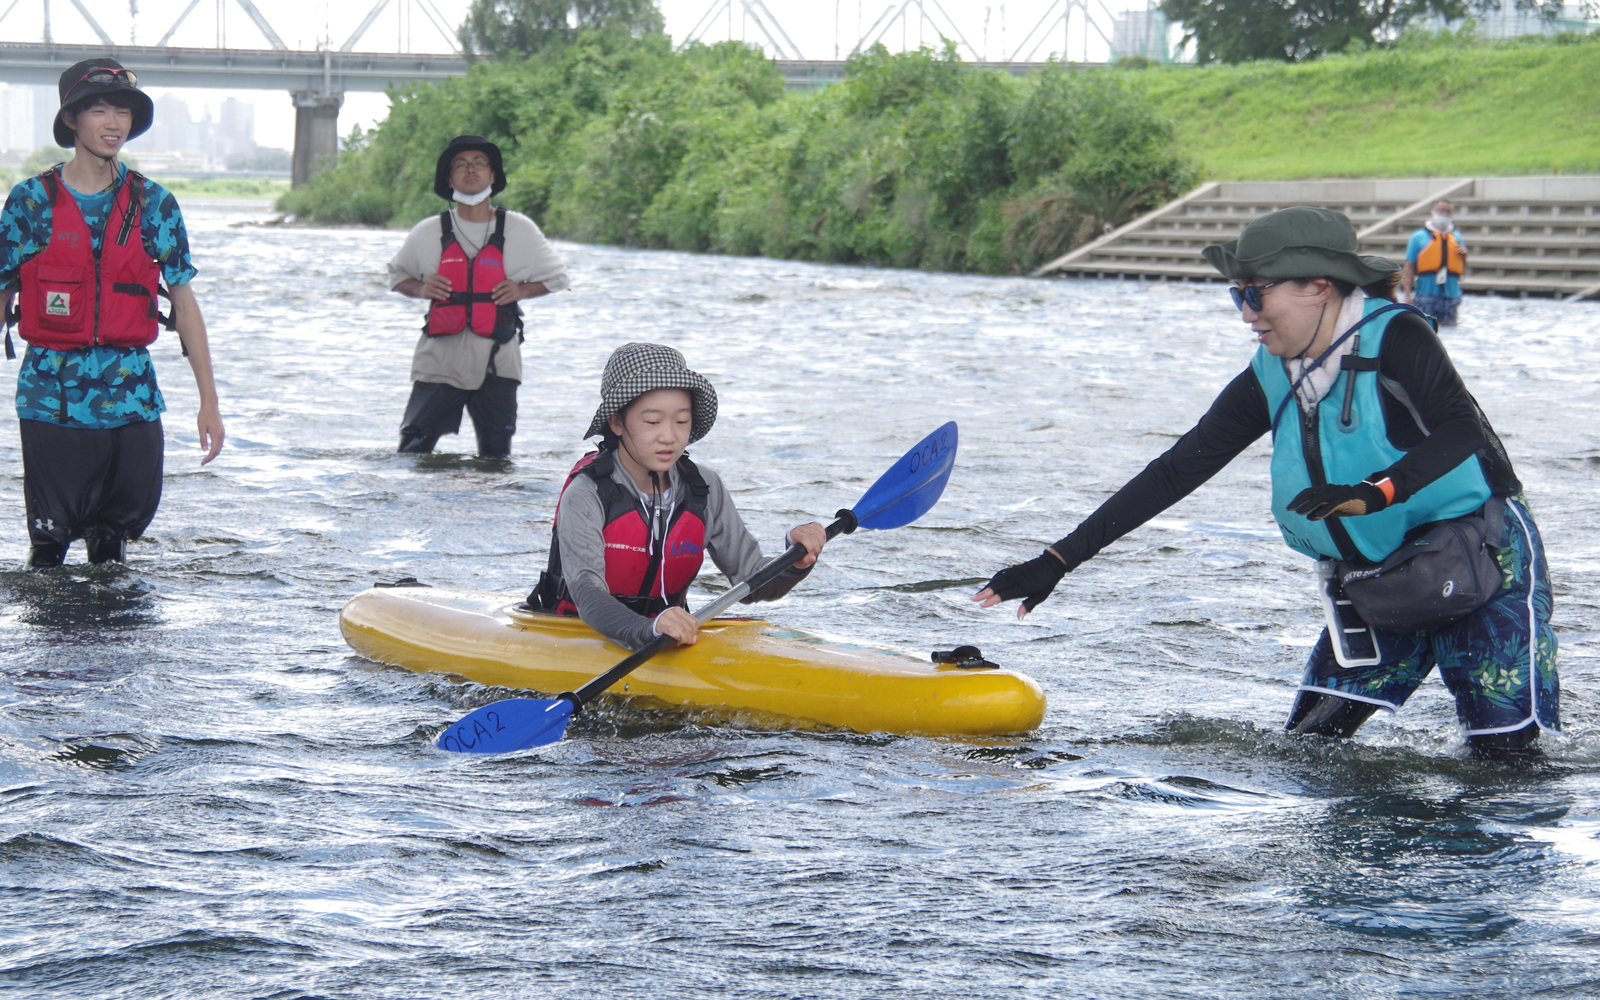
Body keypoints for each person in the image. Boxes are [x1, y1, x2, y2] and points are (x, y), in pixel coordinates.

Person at [974, 206, 1557, 757]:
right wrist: (1057, 560)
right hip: (1379, 578)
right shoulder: (1271, 373)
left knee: (1508, 759)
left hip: (1481, 557)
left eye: (1256, 294)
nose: (1246, 312)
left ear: (1319, 286)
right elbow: (1179, 468)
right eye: (1237, 295)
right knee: (1309, 751)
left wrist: (1374, 491)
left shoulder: (1399, 337)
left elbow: (1463, 432)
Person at [0, 58, 224, 568]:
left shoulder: (155, 204)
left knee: (111, 551)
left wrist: (208, 402)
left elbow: (184, 304)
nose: (112, 123)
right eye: (98, 109)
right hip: (50, 397)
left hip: (132, 397)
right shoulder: (30, 202)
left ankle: (119, 650)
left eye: (121, 111)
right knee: (49, 549)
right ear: (72, 121)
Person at [528, 342, 828, 650]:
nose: (669, 436)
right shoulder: (587, 493)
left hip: (666, 633)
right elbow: (588, 594)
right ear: (616, 422)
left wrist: (796, 560)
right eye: (652, 421)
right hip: (578, 633)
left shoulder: (704, 487)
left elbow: (753, 583)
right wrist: (647, 628)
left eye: (681, 421)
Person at [387, 134, 568, 459]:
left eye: (479, 163)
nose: (470, 170)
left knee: (496, 461)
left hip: (498, 360)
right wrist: (420, 288)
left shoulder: (520, 229)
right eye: (460, 165)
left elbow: (558, 278)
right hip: (440, 361)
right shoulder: (427, 231)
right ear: (449, 178)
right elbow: (397, 275)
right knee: (411, 454)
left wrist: (522, 289)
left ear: (493, 175)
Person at [1401, 199, 1467, 326]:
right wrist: (1407, 295)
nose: (1445, 214)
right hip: (1426, 294)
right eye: (1441, 210)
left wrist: (1463, 255)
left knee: (1450, 327)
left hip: (1451, 295)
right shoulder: (1418, 237)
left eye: (1448, 211)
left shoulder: (1456, 237)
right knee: (1425, 328)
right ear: (1432, 212)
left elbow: (1462, 267)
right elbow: (1409, 266)